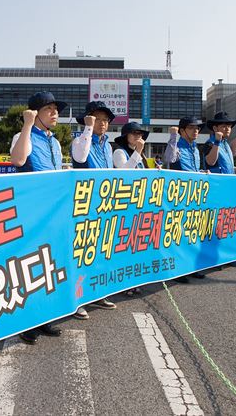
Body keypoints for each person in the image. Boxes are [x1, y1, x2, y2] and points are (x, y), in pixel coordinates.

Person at [10, 91, 66, 344]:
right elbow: (19, 159)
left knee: (49, 265)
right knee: (30, 265)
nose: (55, 114)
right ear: (34, 113)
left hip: (52, 210)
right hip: (30, 210)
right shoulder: (23, 135)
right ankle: (26, 322)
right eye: (49, 109)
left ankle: (45, 318)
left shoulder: (54, 142)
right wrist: (27, 125)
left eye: (56, 109)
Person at [70, 101, 118, 319]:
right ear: (88, 119)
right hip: (85, 204)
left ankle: (98, 292)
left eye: (106, 120)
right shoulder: (79, 140)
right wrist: (88, 128)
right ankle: (77, 299)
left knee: (100, 250)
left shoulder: (108, 146)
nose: (103, 124)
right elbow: (80, 158)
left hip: (104, 203)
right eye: (98, 119)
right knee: (82, 253)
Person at [163, 116, 206, 282]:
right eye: (191, 128)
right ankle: (177, 270)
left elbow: (194, 169)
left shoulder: (195, 148)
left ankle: (190, 266)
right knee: (178, 234)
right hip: (179, 196)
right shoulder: (177, 145)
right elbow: (169, 159)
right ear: (182, 131)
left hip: (194, 196)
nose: (196, 131)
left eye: (197, 128)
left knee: (191, 233)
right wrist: (173, 138)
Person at [113, 121, 151, 293]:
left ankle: (134, 279)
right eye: (134, 133)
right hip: (125, 203)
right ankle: (124, 281)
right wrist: (138, 152)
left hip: (140, 202)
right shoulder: (119, 152)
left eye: (140, 134)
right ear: (126, 136)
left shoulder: (140, 155)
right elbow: (125, 173)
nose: (138, 136)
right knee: (125, 242)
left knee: (137, 242)